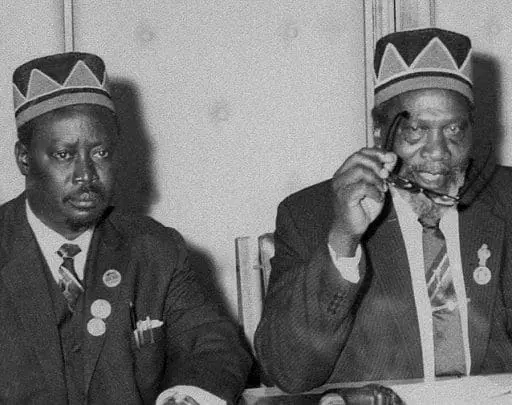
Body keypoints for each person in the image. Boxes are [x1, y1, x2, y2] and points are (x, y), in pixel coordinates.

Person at [254, 28, 512, 393]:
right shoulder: (310, 215)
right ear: (379, 131)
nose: (438, 152)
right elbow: (288, 373)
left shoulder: (505, 200)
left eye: (454, 128)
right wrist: (344, 240)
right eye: (415, 130)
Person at [0, 52, 251, 404]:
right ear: (24, 158)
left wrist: (188, 396)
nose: (86, 174)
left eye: (100, 153)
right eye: (64, 155)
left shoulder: (154, 249)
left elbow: (213, 346)